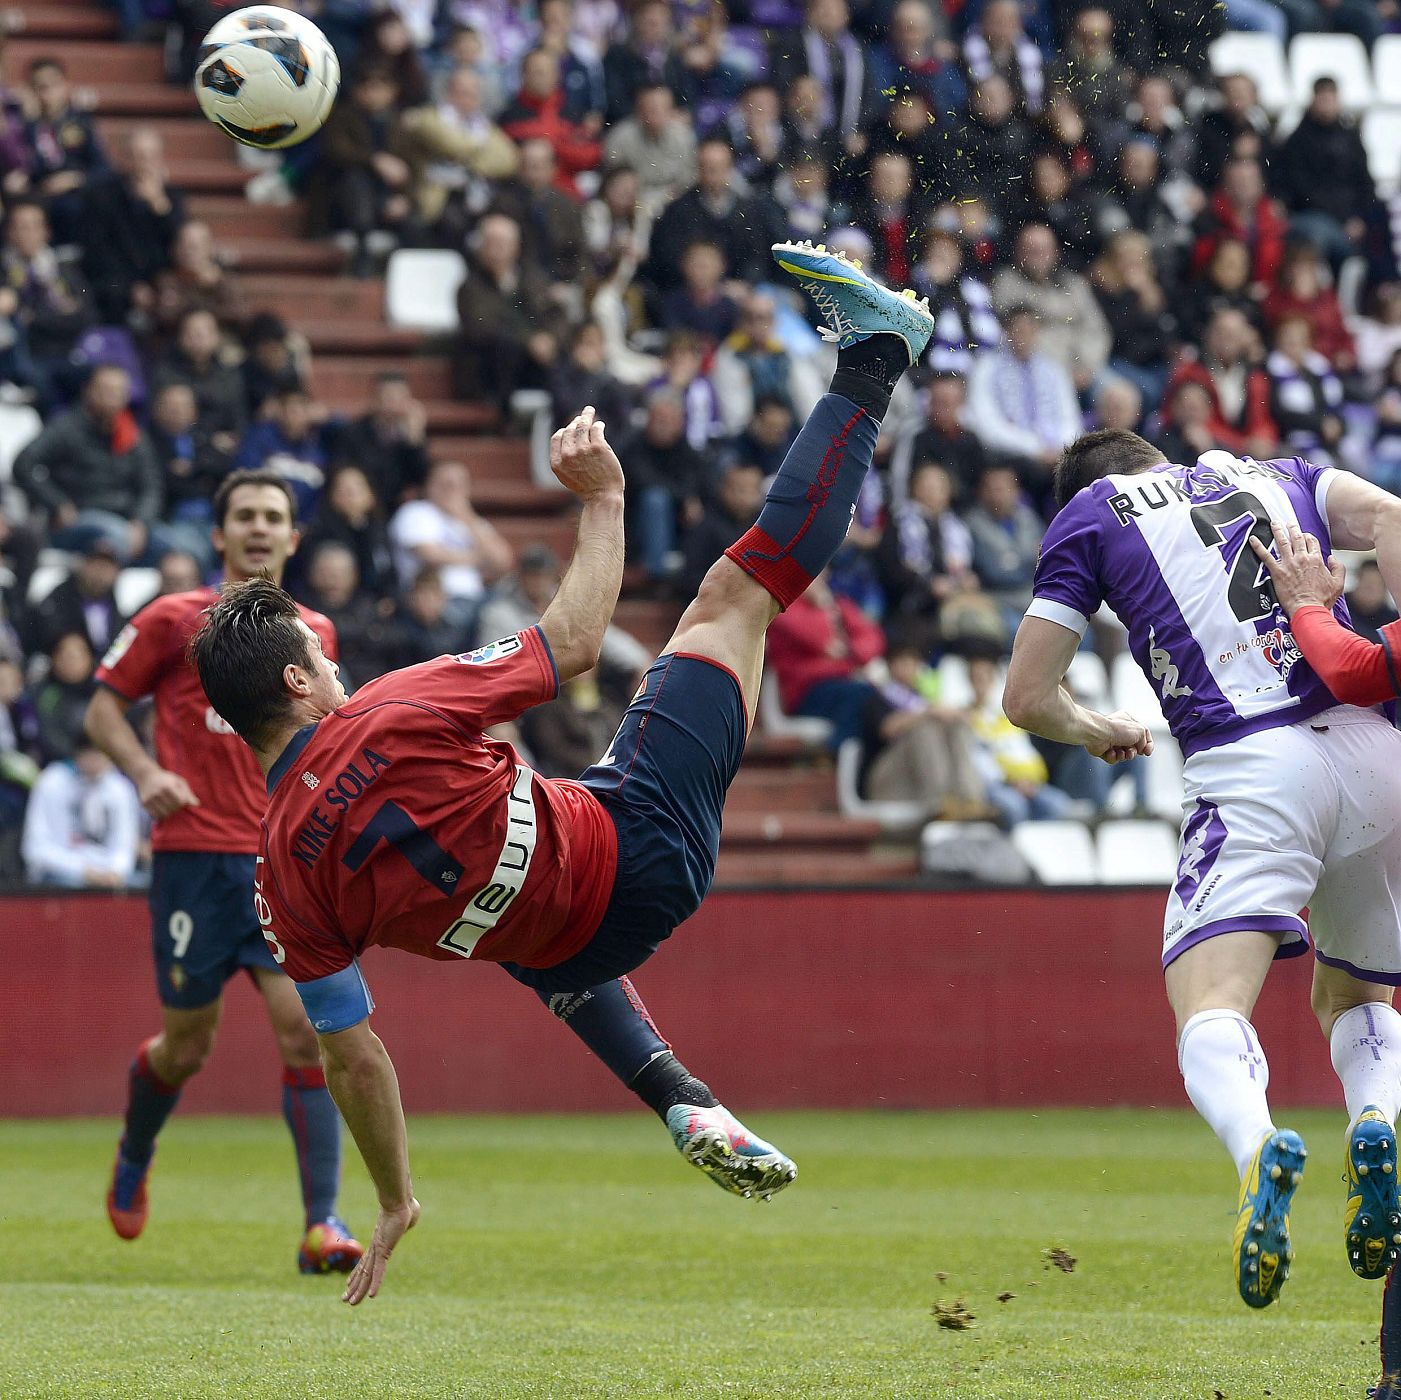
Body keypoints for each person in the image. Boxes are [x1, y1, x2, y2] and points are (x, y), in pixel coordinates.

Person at [186, 241, 937, 1303]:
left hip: (577, 940)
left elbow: (351, 1054)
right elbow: (574, 643)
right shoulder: (391, 708)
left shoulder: (279, 878)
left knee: (496, 909)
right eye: (326, 657)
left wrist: (394, 1198)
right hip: (635, 839)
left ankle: (679, 1096)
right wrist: (605, 499)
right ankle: (876, 355)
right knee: (733, 598)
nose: (340, 667)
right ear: (300, 680)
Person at [1002, 427, 1401, 1309]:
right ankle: (1373, 1117)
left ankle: (1258, 1147)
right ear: (1158, 455)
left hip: (1250, 758)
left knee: (1208, 1000)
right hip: (1376, 752)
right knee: (1355, 996)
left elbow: (1025, 698)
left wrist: (1094, 727)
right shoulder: (1277, 472)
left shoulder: (1089, 514)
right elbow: (1389, 517)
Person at [80, 470, 359, 1271]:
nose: (259, 528)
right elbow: (101, 708)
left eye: (273, 516)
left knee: (306, 1033)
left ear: (293, 538)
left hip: (283, 857)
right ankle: (136, 1148)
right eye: (245, 515)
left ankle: (322, 1223)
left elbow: (329, 736)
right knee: (186, 1047)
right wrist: (144, 774)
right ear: (220, 534)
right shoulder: (171, 619)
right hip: (194, 863)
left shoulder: (315, 632)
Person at [21, 738, 140, 889]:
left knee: (144, 882)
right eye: (90, 753)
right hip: (60, 873)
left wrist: (115, 872)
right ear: (78, 754)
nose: (94, 760)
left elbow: (124, 846)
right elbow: (35, 848)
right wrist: (83, 871)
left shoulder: (120, 787)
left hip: (109, 874)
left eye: (100, 753)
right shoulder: (52, 781)